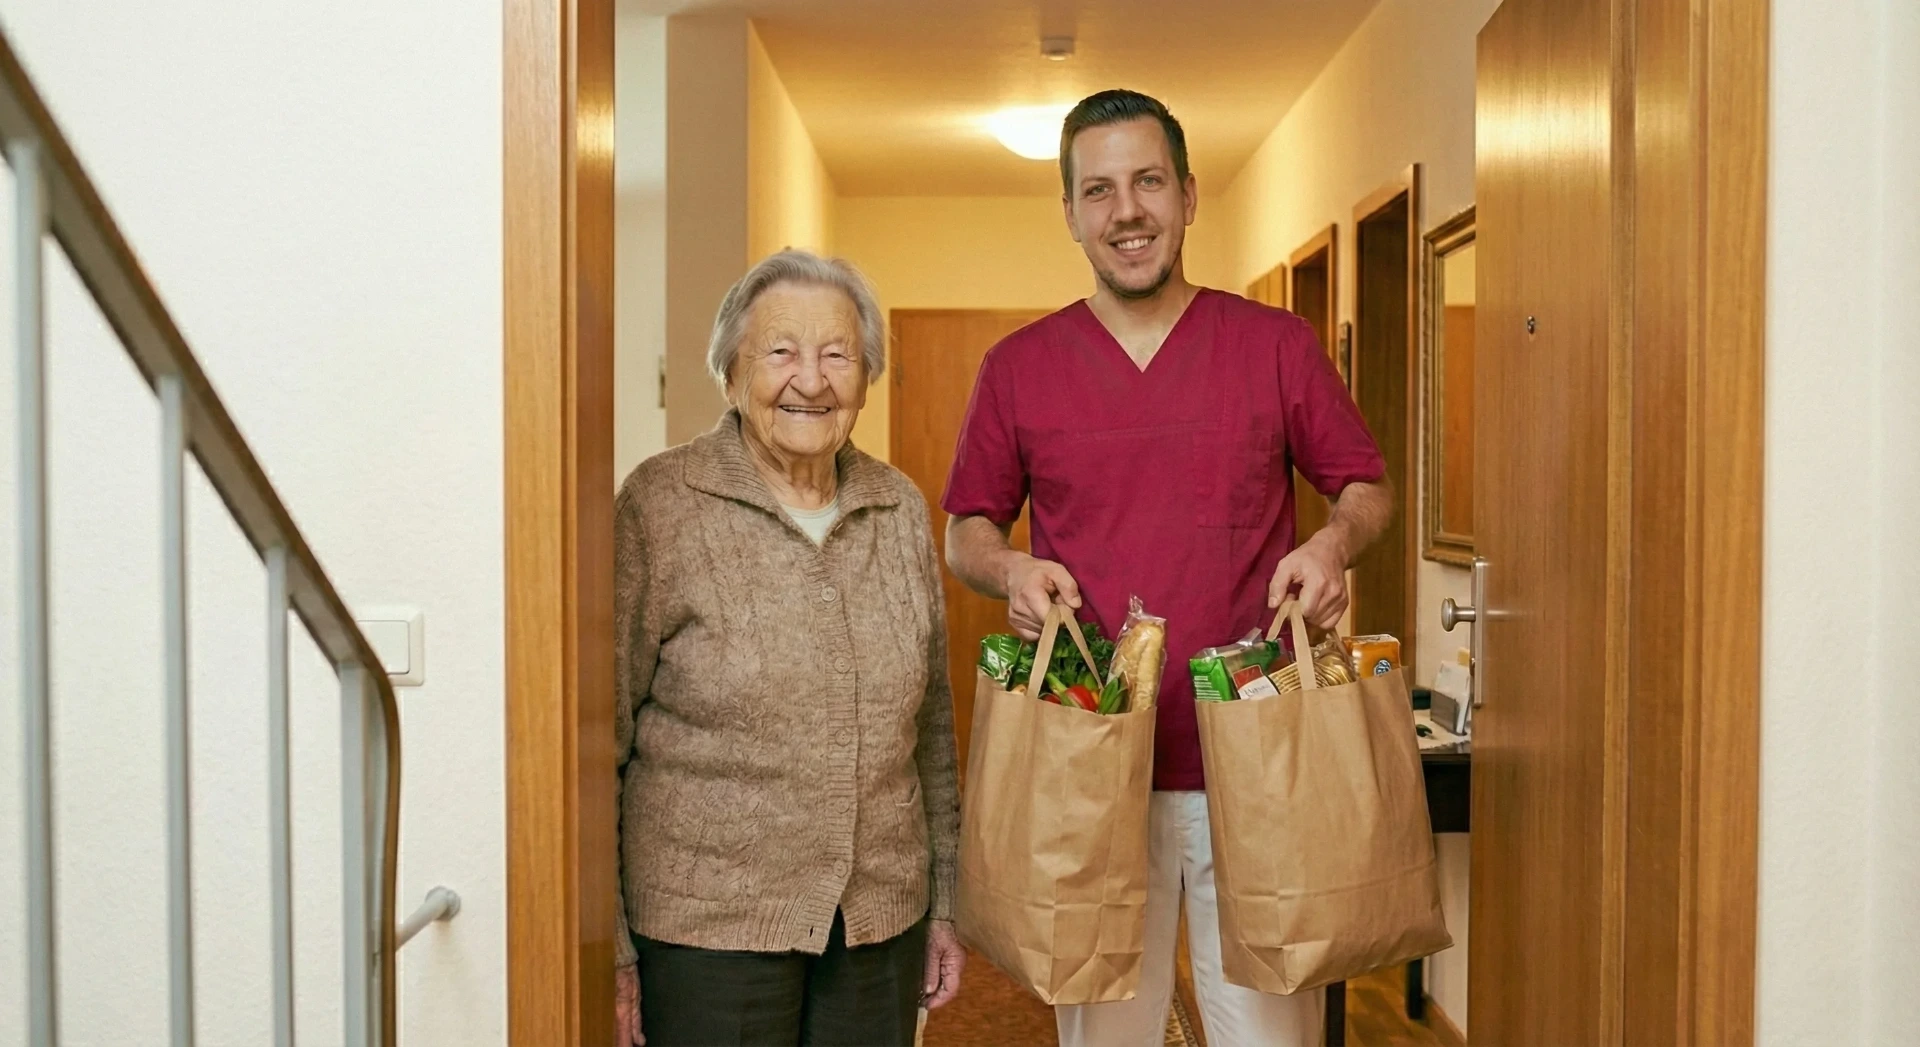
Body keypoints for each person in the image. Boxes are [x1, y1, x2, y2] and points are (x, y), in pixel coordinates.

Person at [942, 90, 1393, 1047]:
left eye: (1148, 181)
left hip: (1255, 763)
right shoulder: (1018, 367)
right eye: (1098, 190)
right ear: (1069, 214)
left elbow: (1364, 486)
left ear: (1189, 196)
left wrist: (1329, 544)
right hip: (1093, 764)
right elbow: (967, 526)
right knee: (1106, 1037)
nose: (1127, 211)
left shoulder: (1274, 347)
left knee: (1269, 1035)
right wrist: (1011, 568)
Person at [613, 250, 965, 1047]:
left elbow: (933, 734)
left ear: (867, 376)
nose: (811, 379)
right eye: (780, 351)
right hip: (707, 933)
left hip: (879, 924)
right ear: (731, 371)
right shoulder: (660, 505)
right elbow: (597, 741)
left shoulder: (898, 506)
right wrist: (610, 947)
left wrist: (944, 903)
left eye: (837, 353)